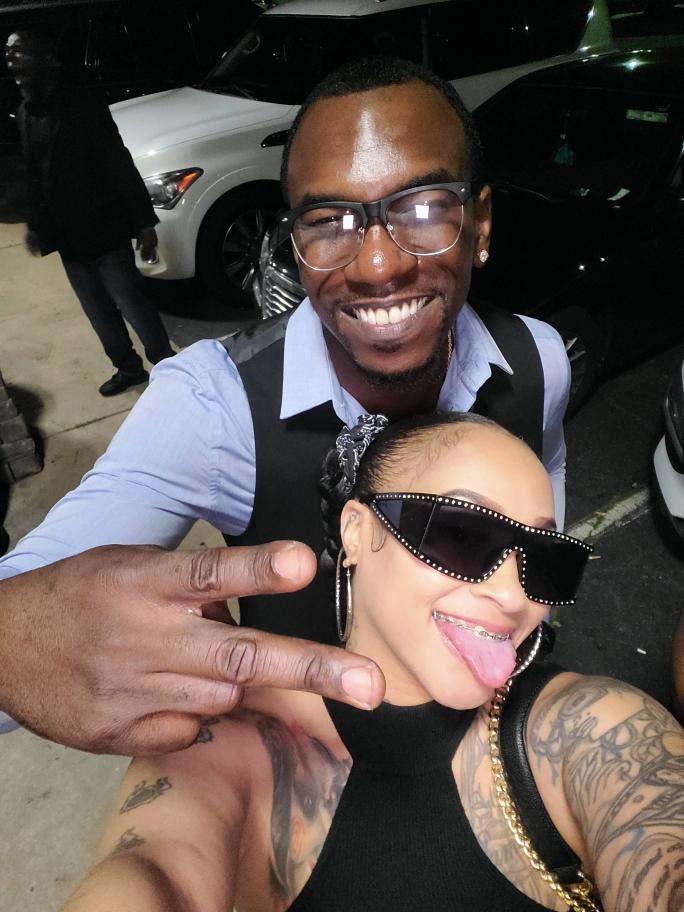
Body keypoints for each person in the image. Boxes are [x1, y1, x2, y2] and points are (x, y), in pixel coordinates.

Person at [0, 56, 570, 755]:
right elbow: (28, 597)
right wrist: (15, 642)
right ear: (294, 246)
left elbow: (541, 535)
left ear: (480, 225)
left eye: (422, 209)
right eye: (329, 222)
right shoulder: (216, 407)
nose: (378, 266)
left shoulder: (537, 361)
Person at [61, 413, 684, 912]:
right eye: (463, 534)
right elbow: (151, 872)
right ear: (357, 532)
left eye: (545, 561)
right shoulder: (231, 741)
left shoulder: (594, 725)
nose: (513, 594)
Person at [5, 30, 175, 397]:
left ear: (45, 59)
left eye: (18, 51)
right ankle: (128, 368)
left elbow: (118, 163)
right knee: (97, 310)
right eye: (8, 54)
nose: (10, 59)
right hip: (68, 238)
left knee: (131, 302)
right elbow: (35, 177)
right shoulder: (26, 113)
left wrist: (144, 223)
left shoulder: (82, 105)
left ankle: (168, 367)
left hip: (105, 231)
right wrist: (36, 225)